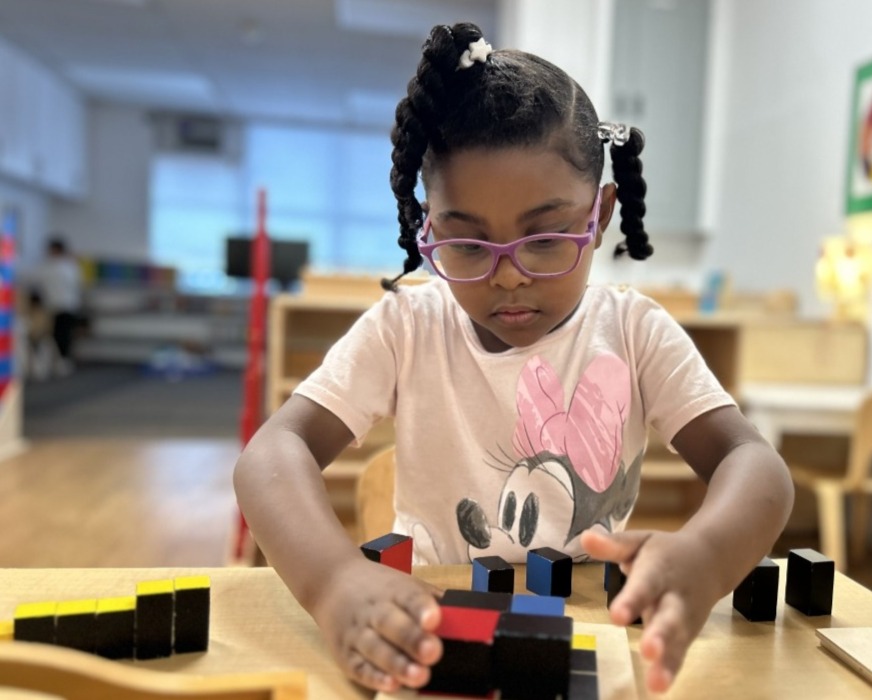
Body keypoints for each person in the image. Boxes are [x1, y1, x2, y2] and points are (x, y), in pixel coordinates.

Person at [233, 22, 794, 695]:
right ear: (429, 227)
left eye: (546, 238)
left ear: (600, 216)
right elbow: (272, 454)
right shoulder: (407, 327)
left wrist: (705, 555)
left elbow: (753, 463)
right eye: (468, 246)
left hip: (584, 625)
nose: (508, 276)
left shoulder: (634, 332)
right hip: (433, 627)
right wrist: (334, 581)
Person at [33, 236, 84, 377]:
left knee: (59, 335)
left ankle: (61, 363)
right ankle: (62, 362)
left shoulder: (50, 267)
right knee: (63, 335)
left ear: (55, 250)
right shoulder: (71, 266)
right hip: (68, 305)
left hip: (58, 305)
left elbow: (34, 280)